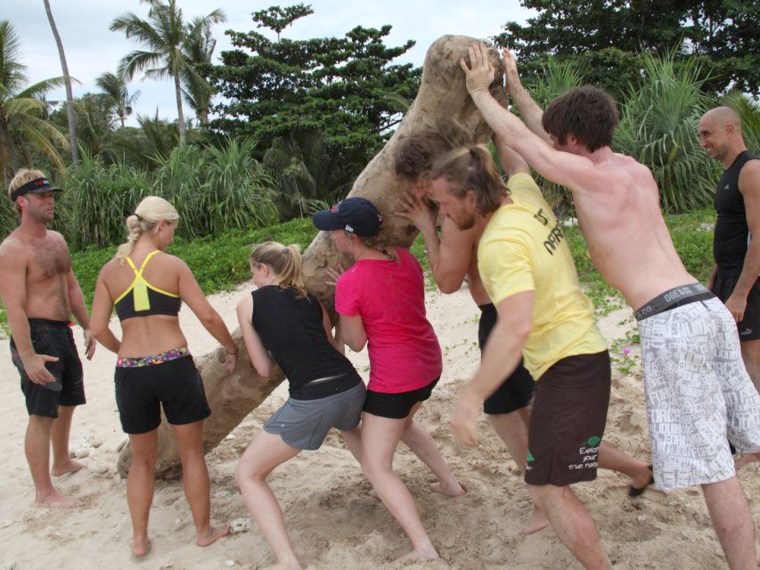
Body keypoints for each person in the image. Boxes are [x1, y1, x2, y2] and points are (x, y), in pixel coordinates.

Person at [462, 43, 760, 569]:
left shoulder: (592, 180)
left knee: (717, 469)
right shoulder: (630, 169)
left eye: (559, 139)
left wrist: (479, 92)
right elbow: (539, 130)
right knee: (733, 450)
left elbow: (519, 141)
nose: (550, 144)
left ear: (573, 140)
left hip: (672, 320)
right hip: (705, 307)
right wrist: (514, 81)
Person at [395, 132, 652, 538]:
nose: (418, 194)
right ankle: (634, 468)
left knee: (507, 417)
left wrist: (429, 226)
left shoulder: (459, 214)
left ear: (427, 177)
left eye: (417, 186)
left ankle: (544, 499)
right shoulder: (497, 188)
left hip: (503, 315)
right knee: (538, 424)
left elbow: (445, 280)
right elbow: (518, 163)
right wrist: (500, 115)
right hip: (523, 313)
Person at [313, 197, 465, 563]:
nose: (331, 236)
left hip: (395, 379)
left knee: (376, 465)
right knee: (406, 425)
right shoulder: (404, 258)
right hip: (429, 363)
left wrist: (343, 299)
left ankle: (423, 546)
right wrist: (349, 286)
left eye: (335, 230)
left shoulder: (352, 281)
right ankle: (450, 484)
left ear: (351, 237)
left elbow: (355, 342)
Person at [90, 196, 235, 557]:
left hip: (131, 372)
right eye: (173, 229)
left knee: (141, 460)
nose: (173, 237)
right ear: (161, 226)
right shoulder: (172, 266)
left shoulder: (111, 270)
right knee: (191, 455)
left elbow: (96, 328)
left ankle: (140, 539)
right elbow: (209, 317)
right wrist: (230, 347)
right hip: (172, 365)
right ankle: (203, 531)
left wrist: (124, 347)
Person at [234, 241, 366, 570]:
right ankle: (391, 491)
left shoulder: (248, 303)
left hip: (314, 397)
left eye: (253, 271)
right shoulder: (311, 298)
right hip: (351, 387)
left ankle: (287, 560)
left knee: (247, 474)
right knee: (352, 431)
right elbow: (335, 348)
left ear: (263, 270)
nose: (252, 279)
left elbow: (263, 369)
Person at [0, 169, 96, 508]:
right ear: (22, 202)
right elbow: (13, 307)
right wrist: (27, 356)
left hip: (62, 331)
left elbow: (70, 286)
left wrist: (87, 325)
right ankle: (44, 493)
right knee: (41, 411)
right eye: (41, 196)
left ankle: (62, 461)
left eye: (51, 194)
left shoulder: (57, 240)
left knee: (68, 399)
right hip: (37, 335)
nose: (49, 200)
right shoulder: (12, 249)